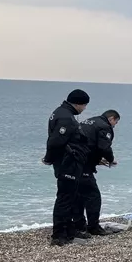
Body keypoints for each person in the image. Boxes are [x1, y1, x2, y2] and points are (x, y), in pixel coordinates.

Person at [43, 88, 92, 246]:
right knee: (65, 198)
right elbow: (55, 141)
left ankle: (70, 230)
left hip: (69, 162)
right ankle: (58, 234)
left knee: (72, 196)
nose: (84, 109)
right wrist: (48, 158)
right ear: (78, 104)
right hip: (67, 163)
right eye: (84, 105)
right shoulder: (66, 118)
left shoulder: (61, 112)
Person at [77, 110, 121, 236]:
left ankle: (79, 224)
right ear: (111, 118)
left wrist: (97, 160)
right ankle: (93, 226)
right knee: (93, 196)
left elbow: (88, 143)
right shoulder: (104, 126)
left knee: (78, 195)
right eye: (115, 122)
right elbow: (104, 147)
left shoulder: (90, 121)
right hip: (84, 165)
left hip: (74, 161)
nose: (114, 125)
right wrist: (110, 160)